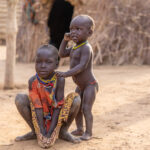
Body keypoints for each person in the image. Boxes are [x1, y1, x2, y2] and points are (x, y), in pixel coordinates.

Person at [15, 44, 81, 148]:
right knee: (20, 98)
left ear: (56, 64)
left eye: (48, 62)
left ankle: (63, 131)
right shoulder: (33, 81)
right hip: (38, 116)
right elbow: (37, 107)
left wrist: (50, 132)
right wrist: (41, 132)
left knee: (76, 99)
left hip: (56, 115)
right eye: (39, 62)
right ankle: (35, 132)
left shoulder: (59, 79)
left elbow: (58, 106)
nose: (43, 65)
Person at [56, 15, 99, 141]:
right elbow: (62, 54)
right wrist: (65, 40)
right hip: (80, 86)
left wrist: (65, 74)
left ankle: (88, 132)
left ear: (89, 32)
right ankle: (79, 129)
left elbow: (81, 66)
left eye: (78, 29)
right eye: (72, 29)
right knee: (77, 108)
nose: (74, 32)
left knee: (86, 108)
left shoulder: (86, 48)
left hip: (90, 84)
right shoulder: (75, 47)